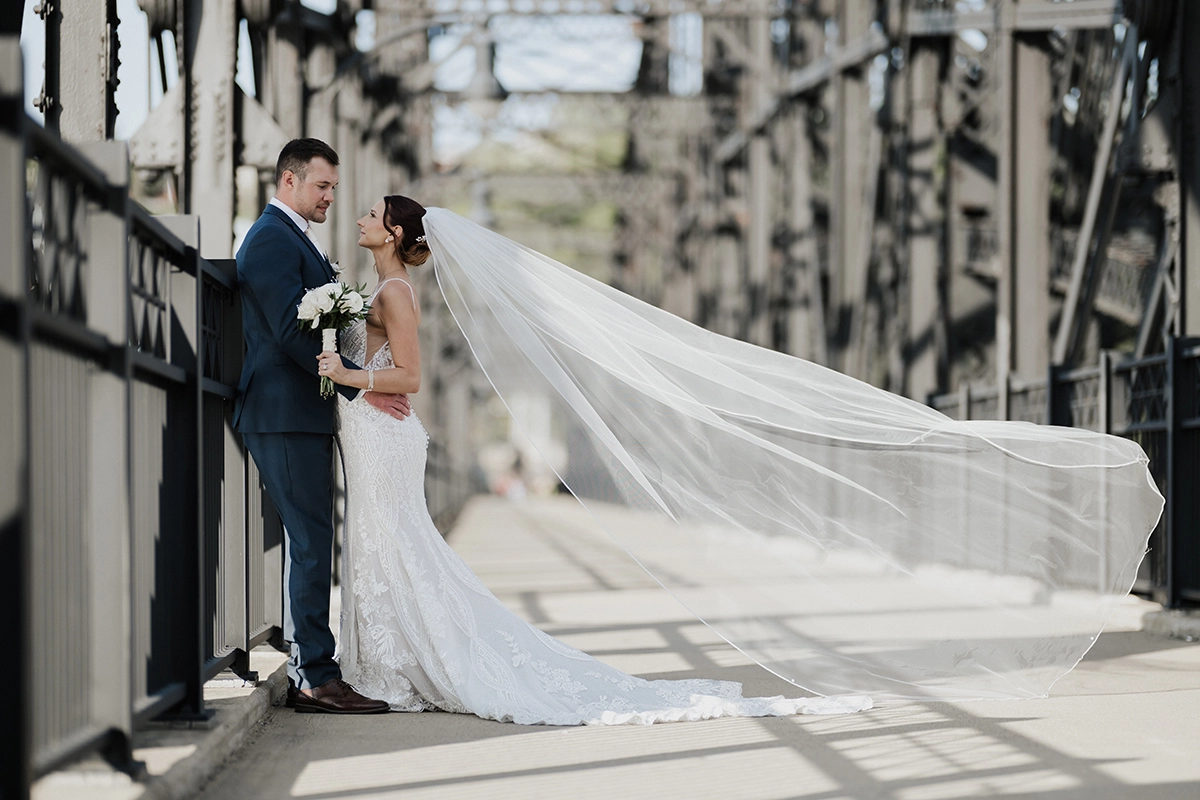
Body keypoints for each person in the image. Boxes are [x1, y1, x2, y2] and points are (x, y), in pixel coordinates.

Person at [316, 196, 872, 724]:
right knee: (383, 541)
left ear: (393, 233)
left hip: (385, 438)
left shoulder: (395, 291)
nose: (360, 217)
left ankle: (393, 669)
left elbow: (409, 376)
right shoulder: (383, 286)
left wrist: (347, 375)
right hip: (373, 431)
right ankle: (382, 664)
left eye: (372, 214)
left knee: (391, 540)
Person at [234, 140, 411, 714]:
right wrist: (360, 386)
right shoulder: (268, 241)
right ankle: (314, 675)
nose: (331, 197)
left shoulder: (290, 238)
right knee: (310, 542)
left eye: (333, 188)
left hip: (301, 413)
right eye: (322, 187)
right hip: (282, 412)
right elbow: (291, 330)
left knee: (311, 540)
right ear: (289, 180)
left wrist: (360, 384)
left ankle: (312, 665)